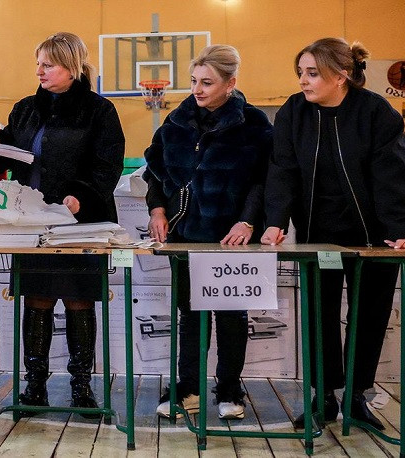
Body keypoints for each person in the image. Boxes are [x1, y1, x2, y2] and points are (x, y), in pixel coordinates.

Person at [261, 37, 405, 430]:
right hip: (318, 235)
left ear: (342, 75)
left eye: (312, 73)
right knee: (319, 315)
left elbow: (394, 173)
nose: (303, 80)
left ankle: (356, 396)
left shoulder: (376, 112)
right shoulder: (293, 112)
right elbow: (282, 171)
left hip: (373, 237)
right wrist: (276, 220)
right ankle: (324, 397)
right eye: (301, 72)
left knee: (369, 316)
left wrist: (401, 228)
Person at [0, 32, 125, 415]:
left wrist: (81, 196)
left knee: (79, 300)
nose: (39, 71)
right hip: (32, 222)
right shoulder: (25, 109)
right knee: (36, 298)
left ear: (71, 67)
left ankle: (81, 388)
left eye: (49, 65)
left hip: (81, 223)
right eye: (38, 63)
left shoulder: (99, 110)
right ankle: (34, 387)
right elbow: (11, 151)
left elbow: (108, 165)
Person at [143, 45, 273, 420]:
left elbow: (265, 181)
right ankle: (188, 388)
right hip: (185, 236)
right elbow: (154, 174)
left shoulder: (255, 124)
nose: (197, 90)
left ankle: (229, 390)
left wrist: (247, 221)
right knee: (190, 315)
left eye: (207, 82)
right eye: (193, 81)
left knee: (231, 316)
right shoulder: (174, 123)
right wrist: (157, 209)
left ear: (230, 83)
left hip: (232, 239)